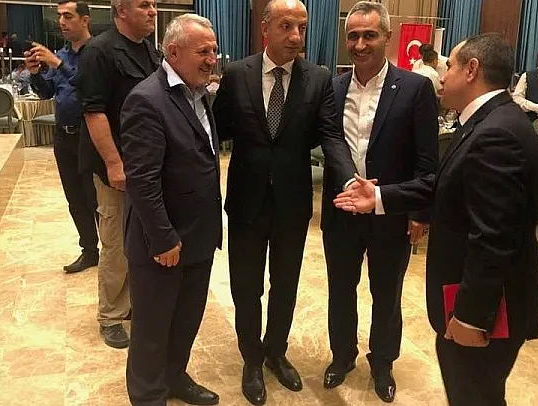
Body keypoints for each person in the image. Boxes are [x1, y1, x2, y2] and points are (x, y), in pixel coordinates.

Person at [335, 33, 538, 406]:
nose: (443, 76)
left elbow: (494, 239)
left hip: (484, 314)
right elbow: (444, 186)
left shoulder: (497, 134)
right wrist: (380, 197)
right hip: (474, 305)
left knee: (475, 396)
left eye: (450, 67)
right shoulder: (488, 121)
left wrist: (471, 317)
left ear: (472, 70)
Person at [212, 0, 355, 404]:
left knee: (286, 284)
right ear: (266, 29)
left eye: (302, 28)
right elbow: (215, 130)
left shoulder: (318, 79)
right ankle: (251, 358)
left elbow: (330, 135)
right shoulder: (237, 74)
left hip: (292, 203)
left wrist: (348, 176)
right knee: (246, 286)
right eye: (286, 26)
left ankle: (275, 350)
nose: (296, 36)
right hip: (246, 201)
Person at [321, 2, 438, 403]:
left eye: (369, 35)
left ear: (387, 37)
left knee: (387, 294)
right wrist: (348, 184)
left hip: (391, 213)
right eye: (353, 35)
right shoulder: (334, 88)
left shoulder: (415, 88)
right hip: (342, 209)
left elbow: (427, 160)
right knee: (341, 289)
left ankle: (383, 363)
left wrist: (420, 213)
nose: (360, 44)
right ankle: (342, 356)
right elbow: (330, 142)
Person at [121, 14, 222, 406]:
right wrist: (163, 238)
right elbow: (142, 180)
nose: (212, 59)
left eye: (214, 50)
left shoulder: (199, 93)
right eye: (203, 51)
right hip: (162, 243)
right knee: (152, 330)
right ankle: (148, 396)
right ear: (174, 52)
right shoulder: (146, 100)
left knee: (185, 321)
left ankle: (175, 377)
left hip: (197, 236)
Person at [76, 0, 159, 349]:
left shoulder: (149, 51)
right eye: (144, 5)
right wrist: (113, 163)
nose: (153, 11)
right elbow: (94, 113)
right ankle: (110, 315)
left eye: (154, 4)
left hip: (145, 165)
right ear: (121, 11)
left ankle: (131, 304)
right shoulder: (99, 51)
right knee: (115, 244)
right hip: (115, 167)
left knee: (139, 240)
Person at [26, 0, 98, 275]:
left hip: (90, 136)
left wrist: (57, 64)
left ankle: (113, 251)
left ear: (85, 19)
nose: (61, 22)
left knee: (97, 199)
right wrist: (36, 73)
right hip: (63, 137)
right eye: (59, 16)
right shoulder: (61, 55)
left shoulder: (98, 53)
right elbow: (46, 92)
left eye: (68, 16)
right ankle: (89, 251)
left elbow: (87, 85)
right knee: (75, 198)